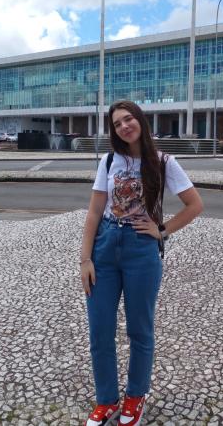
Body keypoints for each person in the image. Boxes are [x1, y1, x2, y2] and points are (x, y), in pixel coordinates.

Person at [81, 100, 203, 426]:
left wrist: (161, 230)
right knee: (100, 331)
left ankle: (136, 395)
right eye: (117, 123)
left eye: (128, 118)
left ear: (140, 121)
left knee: (140, 330)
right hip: (105, 250)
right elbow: (94, 212)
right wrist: (85, 259)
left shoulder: (163, 162)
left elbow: (194, 204)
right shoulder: (109, 161)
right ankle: (106, 400)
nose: (124, 126)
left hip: (141, 252)